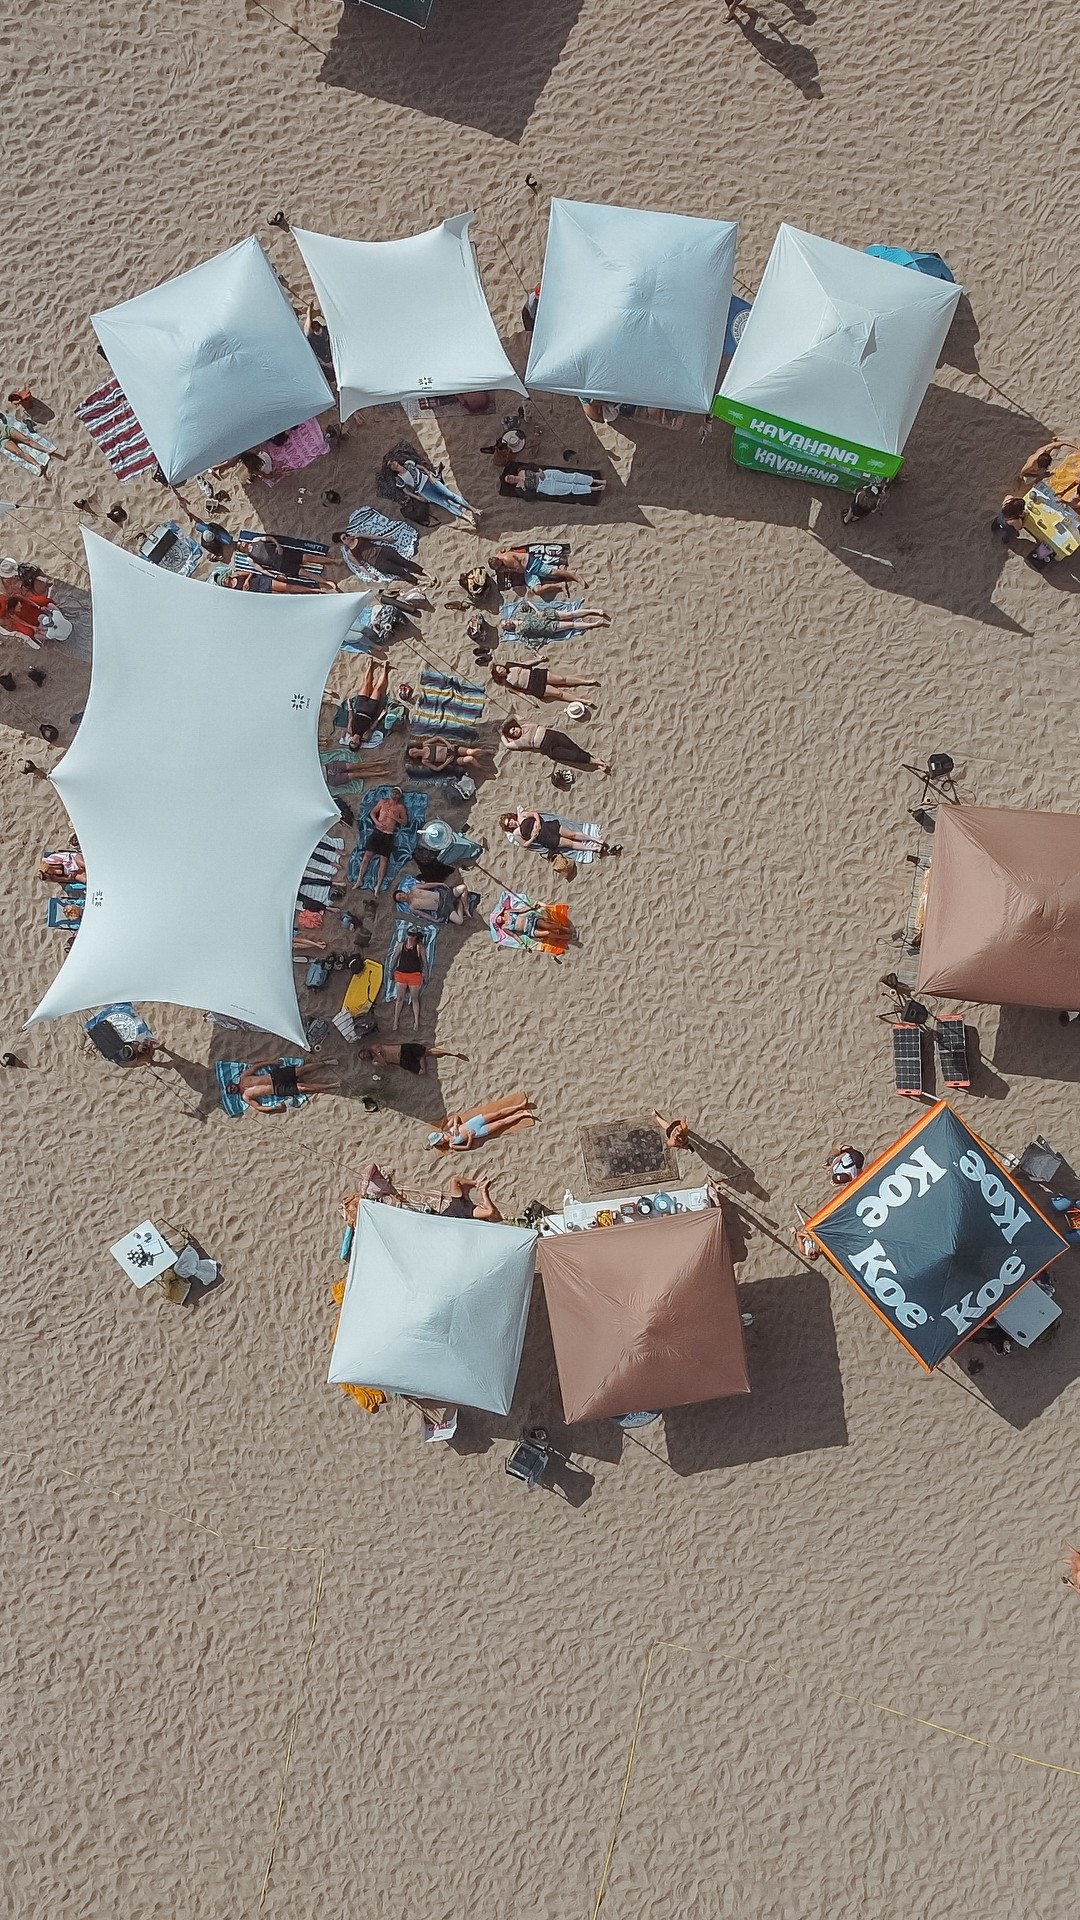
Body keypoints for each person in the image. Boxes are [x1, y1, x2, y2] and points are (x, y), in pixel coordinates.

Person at [428, 1091, 537, 1152]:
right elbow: (467, 1147)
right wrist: (470, 1137)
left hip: (474, 1122)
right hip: (478, 1132)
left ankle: (520, 1106)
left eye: (439, 1142)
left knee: (498, 1114)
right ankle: (523, 1114)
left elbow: (455, 1117)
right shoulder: (452, 1144)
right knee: (501, 1123)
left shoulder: (446, 1129)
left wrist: (456, 1125)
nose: (441, 1142)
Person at [500, 717, 610, 774]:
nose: (514, 731)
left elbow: (513, 716)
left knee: (574, 748)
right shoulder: (520, 741)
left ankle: (593, 760)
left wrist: (503, 725)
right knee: (572, 756)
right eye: (513, 733)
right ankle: (597, 762)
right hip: (548, 748)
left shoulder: (525, 724)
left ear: (516, 726)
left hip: (553, 735)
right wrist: (501, 733)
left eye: (513, 728)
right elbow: (507, 744)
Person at [385, 455, 477, 522]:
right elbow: (406, 491)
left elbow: (422, 468)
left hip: (429, 480)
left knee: (450, 495)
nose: (394, 464)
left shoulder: (408, 463)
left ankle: (472, 508)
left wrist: (430, 475)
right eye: (391, 465)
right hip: (423, 490)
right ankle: (467, 517)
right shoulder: (398, 479)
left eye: (393, 462)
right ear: (392, 469)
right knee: (445, 503)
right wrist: (418, 498)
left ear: (396, 461)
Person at [500, 809, 621, 858]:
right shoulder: (516, 833)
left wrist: (538, 823)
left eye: (509, 820)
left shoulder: (522, 815)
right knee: (570, 844)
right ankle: (593, 849)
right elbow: (525, 845)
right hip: (544, 838)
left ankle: (595, 839)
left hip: (548, 827)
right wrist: (533, 837)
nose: (511, 823)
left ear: (511, 817)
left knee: (572, 834)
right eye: (508, 824)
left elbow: (535, 814)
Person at [231, 1059, 336, 1110]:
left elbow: (256, 1066)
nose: (232, 1089)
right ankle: (331, 1086)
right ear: (233, 1094)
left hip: (275, 1076)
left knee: (301, 1070)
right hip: (277, 1089)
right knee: (302, 1088)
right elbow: (259, 1107)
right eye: (231, 1091)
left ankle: (326, 1063)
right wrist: (274, 1107)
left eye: (230, 1087)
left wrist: (272, 1062)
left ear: (232, 1084)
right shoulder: (245, 1096)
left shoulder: (243, 1077)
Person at [358, 788, 408, 891]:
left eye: (397, 792)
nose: (394, 793)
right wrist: (377, 822)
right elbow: (372, 813)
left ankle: (378, 885)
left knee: (383, 861)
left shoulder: (400, 807)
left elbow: (405, 822)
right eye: (394, 791)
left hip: (388, 834)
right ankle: (359, 879)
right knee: (367, 856)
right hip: (377, 831)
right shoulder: (382, 802)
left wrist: (395, 818)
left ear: (399, 796)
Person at [335, 531, 430, 585]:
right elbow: (360, 565)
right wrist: (369, 574)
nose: (347, 537)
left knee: (404, 562)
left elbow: (372, 537)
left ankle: (426, 573)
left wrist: (386, 538)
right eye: (344, 538)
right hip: (377, 562)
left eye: (346, 535)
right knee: (399, 571)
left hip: (382, 551)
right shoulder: (350, 553)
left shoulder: (358, 537)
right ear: (342, 543)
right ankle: (419, 582)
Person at [490, 659, 600, 704]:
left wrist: (539, 659)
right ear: (499, 675)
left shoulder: (510, 665)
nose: (502, 668)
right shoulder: (507, 684)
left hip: (536, 674)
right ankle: (581, 700)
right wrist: (531, 702)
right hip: (533, 686)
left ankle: (586, 681)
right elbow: (520, 693)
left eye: (500, 667)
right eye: (500, 670)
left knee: (562, 679)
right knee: (559, 693)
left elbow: (525, 663)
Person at [343, 658, 390, 748]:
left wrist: (350, 706)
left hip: (360, 707)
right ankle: (385, 668)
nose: (354, 741)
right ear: (359, 743)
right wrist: (381, 716)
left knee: (366, 684)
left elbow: (350, 718)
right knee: (377, 688)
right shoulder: (365, 736)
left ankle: (370, 665)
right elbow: (373, 726)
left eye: (352, 742)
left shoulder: (350, 731)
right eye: (355, 743)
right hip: (370, 710)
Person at [500, 605, 610, 642]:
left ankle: (594, 611)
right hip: (546, 627)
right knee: (571, 625)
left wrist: (537, 610)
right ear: (508, 628)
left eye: (506, 621)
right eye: (506, 625)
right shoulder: (518, 631)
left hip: (546, 615)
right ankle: (593, 624)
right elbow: (527, 641)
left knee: (569, 614)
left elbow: (526, 603)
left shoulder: (519, 614)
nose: (508, 623)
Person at [490, 547, 578, 591]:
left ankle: (571, 574)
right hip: (527, 571)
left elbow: (520, 569)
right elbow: (502, 549)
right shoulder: (498, 556)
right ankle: (560, 585)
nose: (500, 567)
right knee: (537, 589)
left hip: (530, 563)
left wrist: (508, 570)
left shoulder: (507, 560)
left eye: (499, 565)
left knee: (552, 572)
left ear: (499, 560)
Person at [359, 1041, 468, 1076]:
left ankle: (448, 1052)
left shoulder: (374, 1047)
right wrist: (379, 1055)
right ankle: (421, 1057)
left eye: (364, 1053)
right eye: (364, 1057)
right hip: (401, 1061)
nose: (366, 1055)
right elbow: (384, 1063)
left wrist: (379, 1053)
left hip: (402, 1049)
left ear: (366, 1050)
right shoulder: (375, 1061)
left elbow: (379, 1046)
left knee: (426, 1051)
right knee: (422, 1072)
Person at [391, 927, 427, 1031]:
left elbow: (424, 962)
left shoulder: (419, 947)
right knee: (399, 999)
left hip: (414, 975)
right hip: (401, 974)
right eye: (409, 934)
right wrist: (391, 970)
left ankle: (416, 1022)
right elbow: (395, 958)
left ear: (415, 936)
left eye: (412, 935)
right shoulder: (401, 945)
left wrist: (426, 974)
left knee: (415, 999)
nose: (410, 937)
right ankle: (395, 1021)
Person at [503, 465, 604, 502]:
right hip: (543, 486)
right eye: (509, 480)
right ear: (511, 483)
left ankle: (595, 481)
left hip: (546, 475)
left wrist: (540, 471)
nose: (511, 478)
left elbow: (532, 466)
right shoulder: (518, 488)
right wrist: (524, 488)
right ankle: (593, 489)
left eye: (510, 476)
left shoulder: (521, 470)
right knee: (569, 488)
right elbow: (530, 497)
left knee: (571, 477)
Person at [392, 881, 474, 925]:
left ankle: (465, 908)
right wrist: (435, 920)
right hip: (443, 908)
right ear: (401, 901)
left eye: (400, 895)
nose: (402, 897)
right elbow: (423, 914)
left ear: (402, 892)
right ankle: (459, 904)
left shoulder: (414, 888)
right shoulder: (412, 907)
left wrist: (440, 884)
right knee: (460, 921)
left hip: (444, 895)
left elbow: (428, 885)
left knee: (463, 887)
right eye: (400, 899)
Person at [404, 737, 484, 772]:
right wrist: (447, 762)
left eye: (412, 750)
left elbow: (438, 738)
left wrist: (448, 744)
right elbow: (436, 769)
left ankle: (486, 752)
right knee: (470, 759)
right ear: (415, 757)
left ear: (415, 748)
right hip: (451, 760)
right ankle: (481, 767)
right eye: (413, 754)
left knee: (471, 752)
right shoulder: (424, 760)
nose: (414, 752)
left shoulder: (425, 744)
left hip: (451, 749)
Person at [304, 304, 337, 382]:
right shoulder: (313, 338)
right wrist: (325, 363)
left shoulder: (327, 331)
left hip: (333, 359)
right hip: (325, 362)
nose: (318, 332)